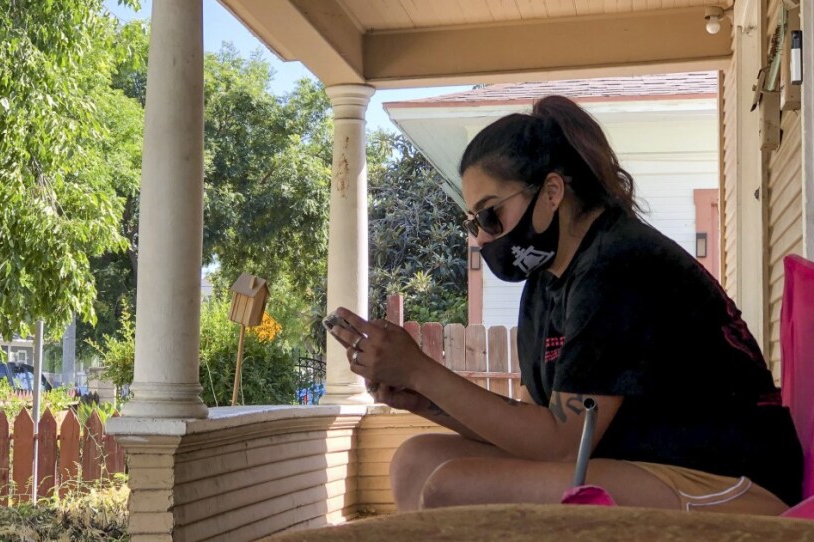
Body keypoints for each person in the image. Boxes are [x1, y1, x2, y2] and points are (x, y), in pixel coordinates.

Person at [329, 95, 802, 516]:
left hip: (732, 481)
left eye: (492, 214)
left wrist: (421, 371)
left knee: (453, 488)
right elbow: (538, 426)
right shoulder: (548, 282)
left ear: (552, 192)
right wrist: (425, 401)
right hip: (642, 465)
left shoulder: (618, 263)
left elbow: (561, 443)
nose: (482, 236)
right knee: (417, 463)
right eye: (474, 221)